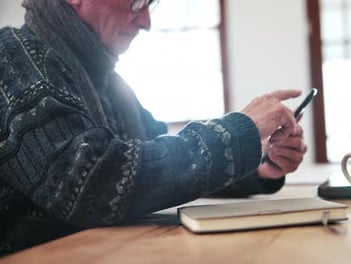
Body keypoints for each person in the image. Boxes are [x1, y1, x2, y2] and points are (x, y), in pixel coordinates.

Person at [0, 0, 307, 256]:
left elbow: (161, 159)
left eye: (150, 4)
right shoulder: (10, 59)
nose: (146, 21)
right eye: (136, 2)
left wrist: (259, 162)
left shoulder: (109, 83)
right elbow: (91, 184)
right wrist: (238, 133)